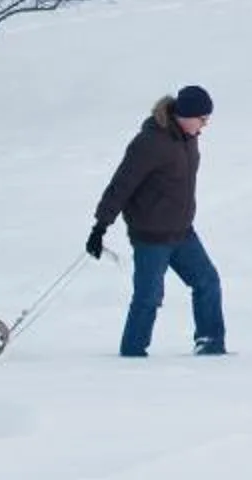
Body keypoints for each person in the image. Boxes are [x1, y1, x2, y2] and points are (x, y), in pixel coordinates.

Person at [88, 84, 226, 358]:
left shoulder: (189, 138)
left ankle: (210, 345)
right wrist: (100, 227)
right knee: (148, 298)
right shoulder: (149, 143)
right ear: (185, 115)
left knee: (207, 282)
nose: (205, 125)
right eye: (202, 119)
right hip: (151, 238)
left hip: (182, 233)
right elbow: (121, 185)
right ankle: (132, 355)